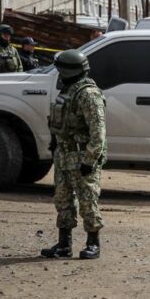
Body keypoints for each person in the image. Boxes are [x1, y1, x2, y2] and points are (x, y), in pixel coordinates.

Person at [41, 50, 107, 260]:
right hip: (64, 155)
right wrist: (54, 144)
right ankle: (64, 244)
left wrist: (90, 160)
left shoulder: (88, 94)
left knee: (88, 201)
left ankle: (93, 243)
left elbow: (98, 133)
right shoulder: (69, 91)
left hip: (81, 157)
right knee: (63, 200)